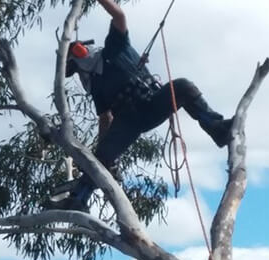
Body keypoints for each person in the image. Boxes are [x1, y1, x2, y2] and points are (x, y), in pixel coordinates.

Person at [45, 0, 233, 212]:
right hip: (129, 121)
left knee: (182, 87)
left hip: (151, 103)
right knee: (102, 155)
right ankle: (79, 199)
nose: (79, 63)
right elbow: (105, 118)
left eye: (77, 54)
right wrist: (104, 149)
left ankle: (216, 128)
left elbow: (119, 16)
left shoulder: (114, 48)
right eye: (74, 64)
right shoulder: (96, 85)